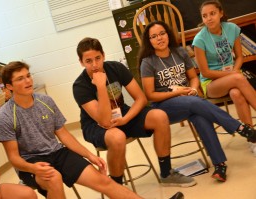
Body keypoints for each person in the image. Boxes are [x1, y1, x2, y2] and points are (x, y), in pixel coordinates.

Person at [0, 61, 144, 199]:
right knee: (54, 179)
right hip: (31, 162)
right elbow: (14, 158)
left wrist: (90, 155)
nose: (27, 81)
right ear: (9, 86)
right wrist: (33, 168)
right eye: (20, 79)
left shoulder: (46, 101)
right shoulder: (5, 116)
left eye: (28, 76)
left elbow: (64, 135)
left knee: (104, 181)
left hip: (58, 153)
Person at [138, 20, 256, 182]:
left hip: (187, 98)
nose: (159, 38)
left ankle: (220, 165)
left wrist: (193, 89)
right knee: (195, 103)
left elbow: (193, 78)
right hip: (164, 106)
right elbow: (150, 95)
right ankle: (241, 128)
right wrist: (178, 94)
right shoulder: (148, 62)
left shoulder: (179, 52)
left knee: (199, 114)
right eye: (154, 36)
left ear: (168, 34)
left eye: (162, 33)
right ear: (149, 40)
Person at [73, 37, 196, 190]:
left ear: (103, 55)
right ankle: (116, 189)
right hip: (95, 124)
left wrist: (126, 119)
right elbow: (104, 121)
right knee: (117, 137)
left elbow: (141, 98)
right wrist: (100, 87)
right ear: (81, 62)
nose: (95, 65)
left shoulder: (115, 68)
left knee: (160, 116)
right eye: (88, 61)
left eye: (98, 58)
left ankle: (166, 173)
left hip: (122, 114)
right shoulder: (79, 86)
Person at [192, 0, 256, 126]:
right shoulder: (199, 39)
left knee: (236, 93)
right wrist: (233, 74)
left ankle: (251, 138)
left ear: (221, 13)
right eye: (205, 16)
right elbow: (205, 72)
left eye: (212, 13)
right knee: (238, 78)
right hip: (211, 83)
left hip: (233, 75)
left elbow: (239, 57)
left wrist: (235, 71)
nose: (209, 18)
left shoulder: (232, 28)